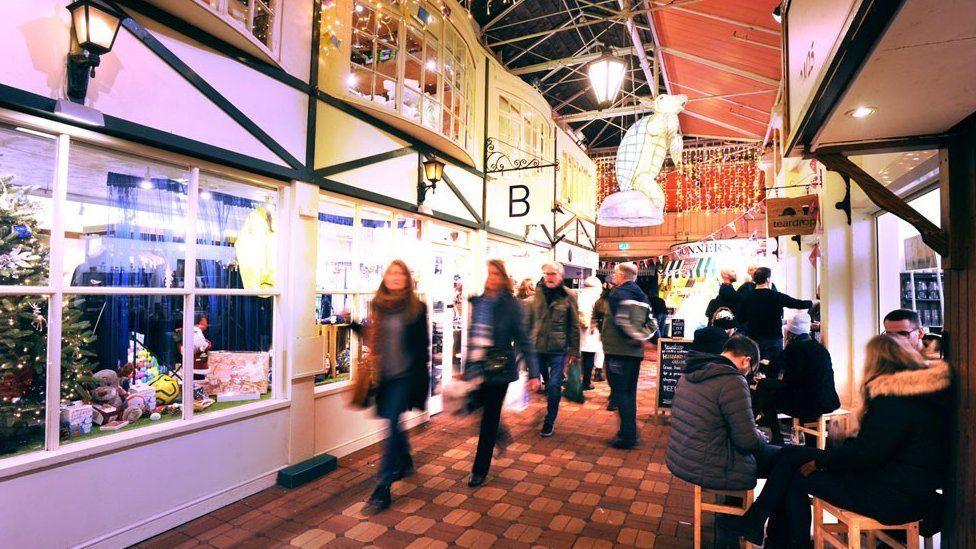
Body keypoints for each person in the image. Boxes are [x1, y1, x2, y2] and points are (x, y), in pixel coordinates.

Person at [723, 335, 951, 547]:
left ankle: (776, 535)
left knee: (796, 476)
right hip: (898, 480)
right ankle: (759, 523)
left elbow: (867, 453)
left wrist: (824, 462)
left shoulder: (894, 398)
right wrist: (836, 450)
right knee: (790, 456)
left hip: (891, 493)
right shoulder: (917, 393)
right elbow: (876, 448)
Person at [358, 260, 431, 512]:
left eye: (400, 273)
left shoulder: (417, 308)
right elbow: (373, 338)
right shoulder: (378, 306)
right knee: (393, 421)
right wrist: (354, 325)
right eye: (391, 272)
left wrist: (422, 382)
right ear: (385, 278)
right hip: (383, 377)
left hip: (405, 376)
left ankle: (383, 487)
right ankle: (406, 458)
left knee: (389, 425)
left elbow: (423, 347)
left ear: (406, 279)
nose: (396, 277)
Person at [466, 260, 541, 487]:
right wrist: (467, 368)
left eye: (495, 274)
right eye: (488, 274)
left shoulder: (512, 305)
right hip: (478, 366)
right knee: (474, 407)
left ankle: (480, 470)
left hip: (499, 367)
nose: (491, 278)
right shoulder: (479, 302)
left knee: (489, 418)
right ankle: (501, 434)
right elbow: (474, 338)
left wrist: (534, 373)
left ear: (504, 278)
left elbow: (524, 339)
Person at [667, 335, 776, 490]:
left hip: (682, 457)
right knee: (786, 460)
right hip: (711, 464)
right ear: (746, 360)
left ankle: (751, 509)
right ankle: (757, 511)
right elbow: (748, 441)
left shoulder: (691, 369)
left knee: (786, 460)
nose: (747, 374)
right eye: (751, 370)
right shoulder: (733, 381)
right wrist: (763, 436)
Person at [752, 312, 841, 445]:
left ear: (791, 333)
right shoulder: (820, 348)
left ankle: (773, 435)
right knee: (768, 389)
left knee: (764, 389)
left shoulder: (794, 348)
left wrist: (761, 375)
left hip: (808, 403)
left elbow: (784, 376)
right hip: (829, 400)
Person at [600, 262, 656, 449]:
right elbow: (653, 324)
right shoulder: (643, 297)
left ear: (621, 275)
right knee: (629, 394)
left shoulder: (617, 294)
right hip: (634, 354)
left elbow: (621, 321)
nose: (614, 277)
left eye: (615, 273)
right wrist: (640, 337)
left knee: (621, 393)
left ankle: (627, 437)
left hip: (618, 351)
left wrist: (631, 336)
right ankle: (629, 432)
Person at [527, 262, 580, 437]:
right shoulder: (536, 296)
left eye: (553, 274)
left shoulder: (569, 296)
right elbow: (530, 323)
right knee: (545, 383)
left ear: (561, 276)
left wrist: (574, 351)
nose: (549, 277)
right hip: (537, 348)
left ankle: (549, 420)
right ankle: (549, 396)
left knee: (555, 385)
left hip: (558, 348)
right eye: (546, 273)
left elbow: (573, 325)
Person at [737, 267, 812, 362]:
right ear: (768, 279)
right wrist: (813, 303)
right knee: (773, 368)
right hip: (774, 338)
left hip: (754, 339)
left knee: (755, 368)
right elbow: (797, 303)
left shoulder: (747, 297)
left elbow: (741, 319)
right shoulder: (776, 296)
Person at [576, 276, 604, 391]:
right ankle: (586, 382)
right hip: (593, 329)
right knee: (590, 356)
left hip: (580, 328)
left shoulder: (580, 295)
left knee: (583, 355)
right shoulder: (597, 296)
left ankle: (583, 379)